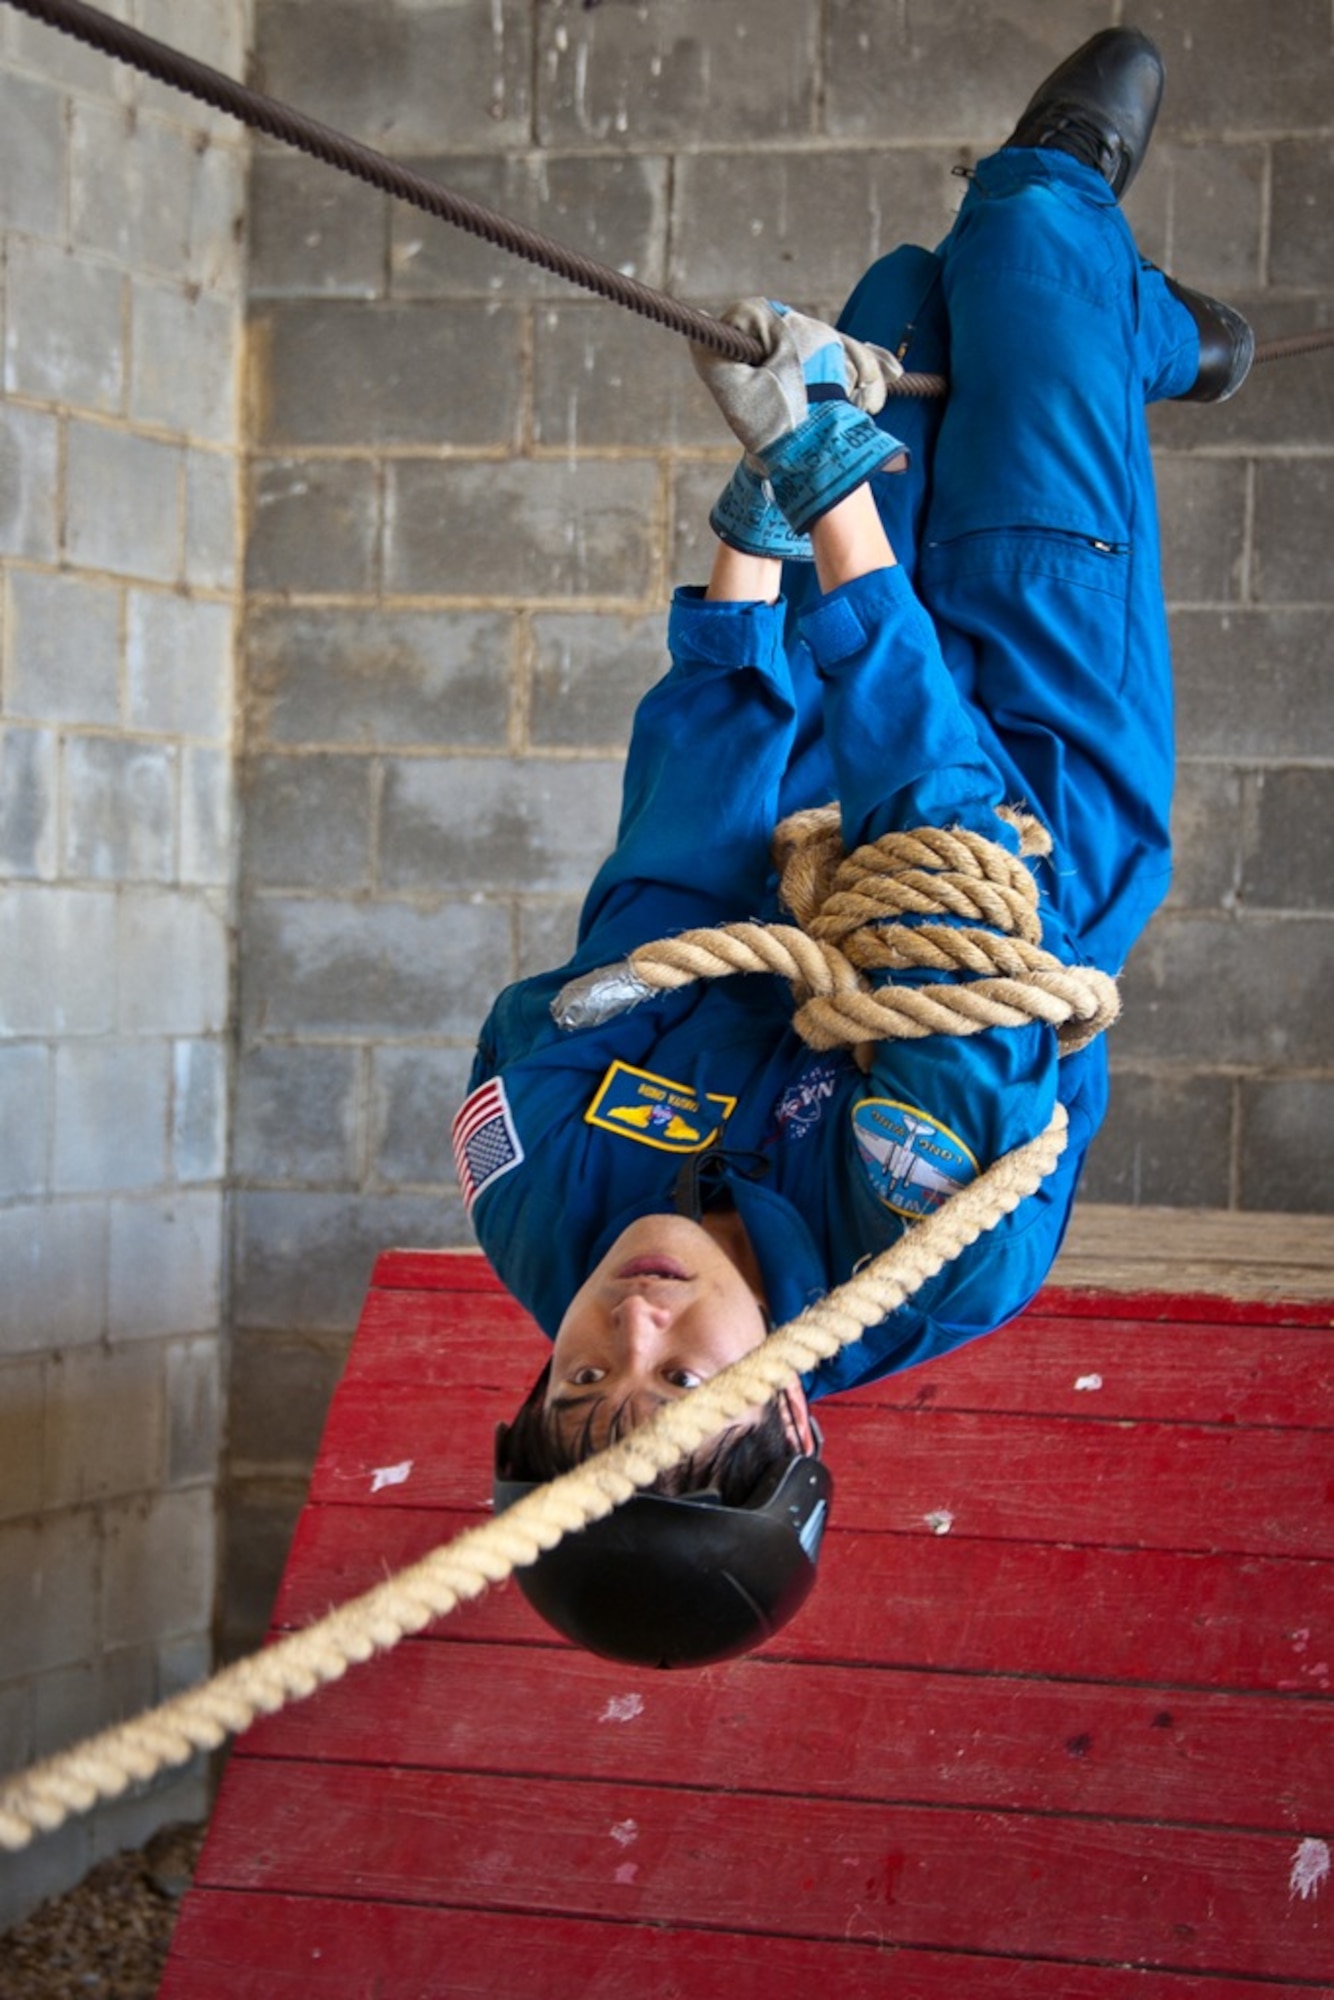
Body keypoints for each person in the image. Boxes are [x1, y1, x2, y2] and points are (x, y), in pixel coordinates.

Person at [456, 28, 1255, 1667]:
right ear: (795, 1421)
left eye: (582, 1381)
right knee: (1024, 226)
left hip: (815, 761)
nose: (633, 1322)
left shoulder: (532, 1193)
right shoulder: (932, 1245)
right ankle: (1095, 291)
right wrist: (827, 496)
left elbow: (665, 892)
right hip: (1032, 793)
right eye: (679, 1383)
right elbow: (952, 853)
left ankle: (1140, 339)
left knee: (901, 306)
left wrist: (748, 559)